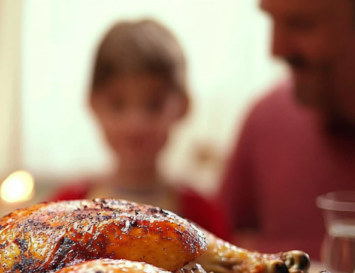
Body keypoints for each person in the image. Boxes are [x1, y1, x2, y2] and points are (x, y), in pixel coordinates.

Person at [219, 0, 355, 259]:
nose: (276, 49)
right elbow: (216, 251)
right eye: (272, 20)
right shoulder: (266, 120)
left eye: (302, 24)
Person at [50, 20, 231, 239]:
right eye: (118, 105)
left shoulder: (204, 214)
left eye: (154, 105)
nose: (135, 125)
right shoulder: (63, 208)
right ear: (93, 103)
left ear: (183, 106)